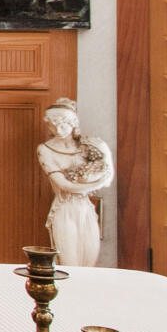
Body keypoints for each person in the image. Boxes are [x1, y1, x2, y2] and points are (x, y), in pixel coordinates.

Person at [37, 98, 114, 267]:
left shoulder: (89, 147)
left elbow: (107, 176)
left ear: (73, 123)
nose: (58, 130)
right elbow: (64, 185)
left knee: (90, 262)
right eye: (53, 125)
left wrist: (98, 176)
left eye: (63, 125)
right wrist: (94, 184)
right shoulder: (45, 149)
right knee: (69, 263)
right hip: (64, 209)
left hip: (86, 209)